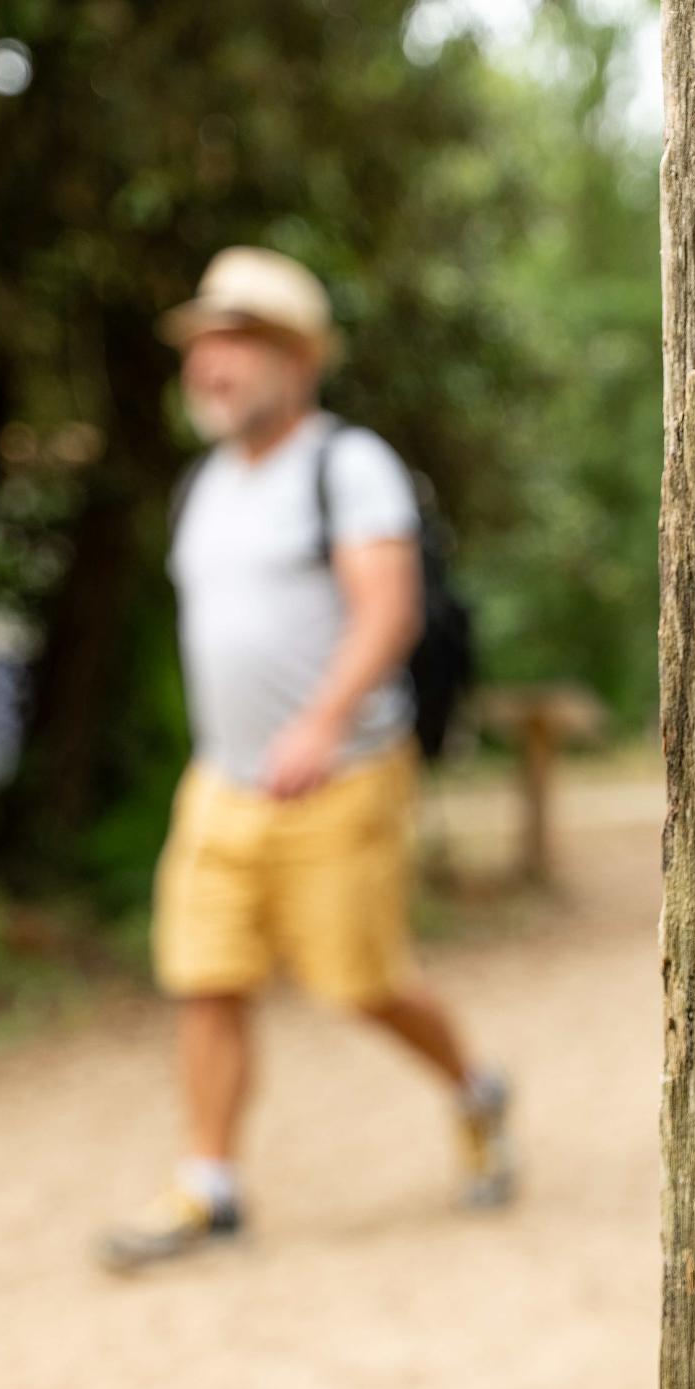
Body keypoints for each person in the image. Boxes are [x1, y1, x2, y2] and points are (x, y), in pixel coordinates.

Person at [97, 247, 512, 1273]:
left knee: (359, 981)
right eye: (203, 345)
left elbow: (389, 611)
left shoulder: (347, 463)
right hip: (223, 783)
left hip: (343, 778)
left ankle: (474, 1087)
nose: (212, 365)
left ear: (298, 360)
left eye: (237, 342)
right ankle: (209, 1184)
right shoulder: (204, 486)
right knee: (206, 978)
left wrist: (321, 722)